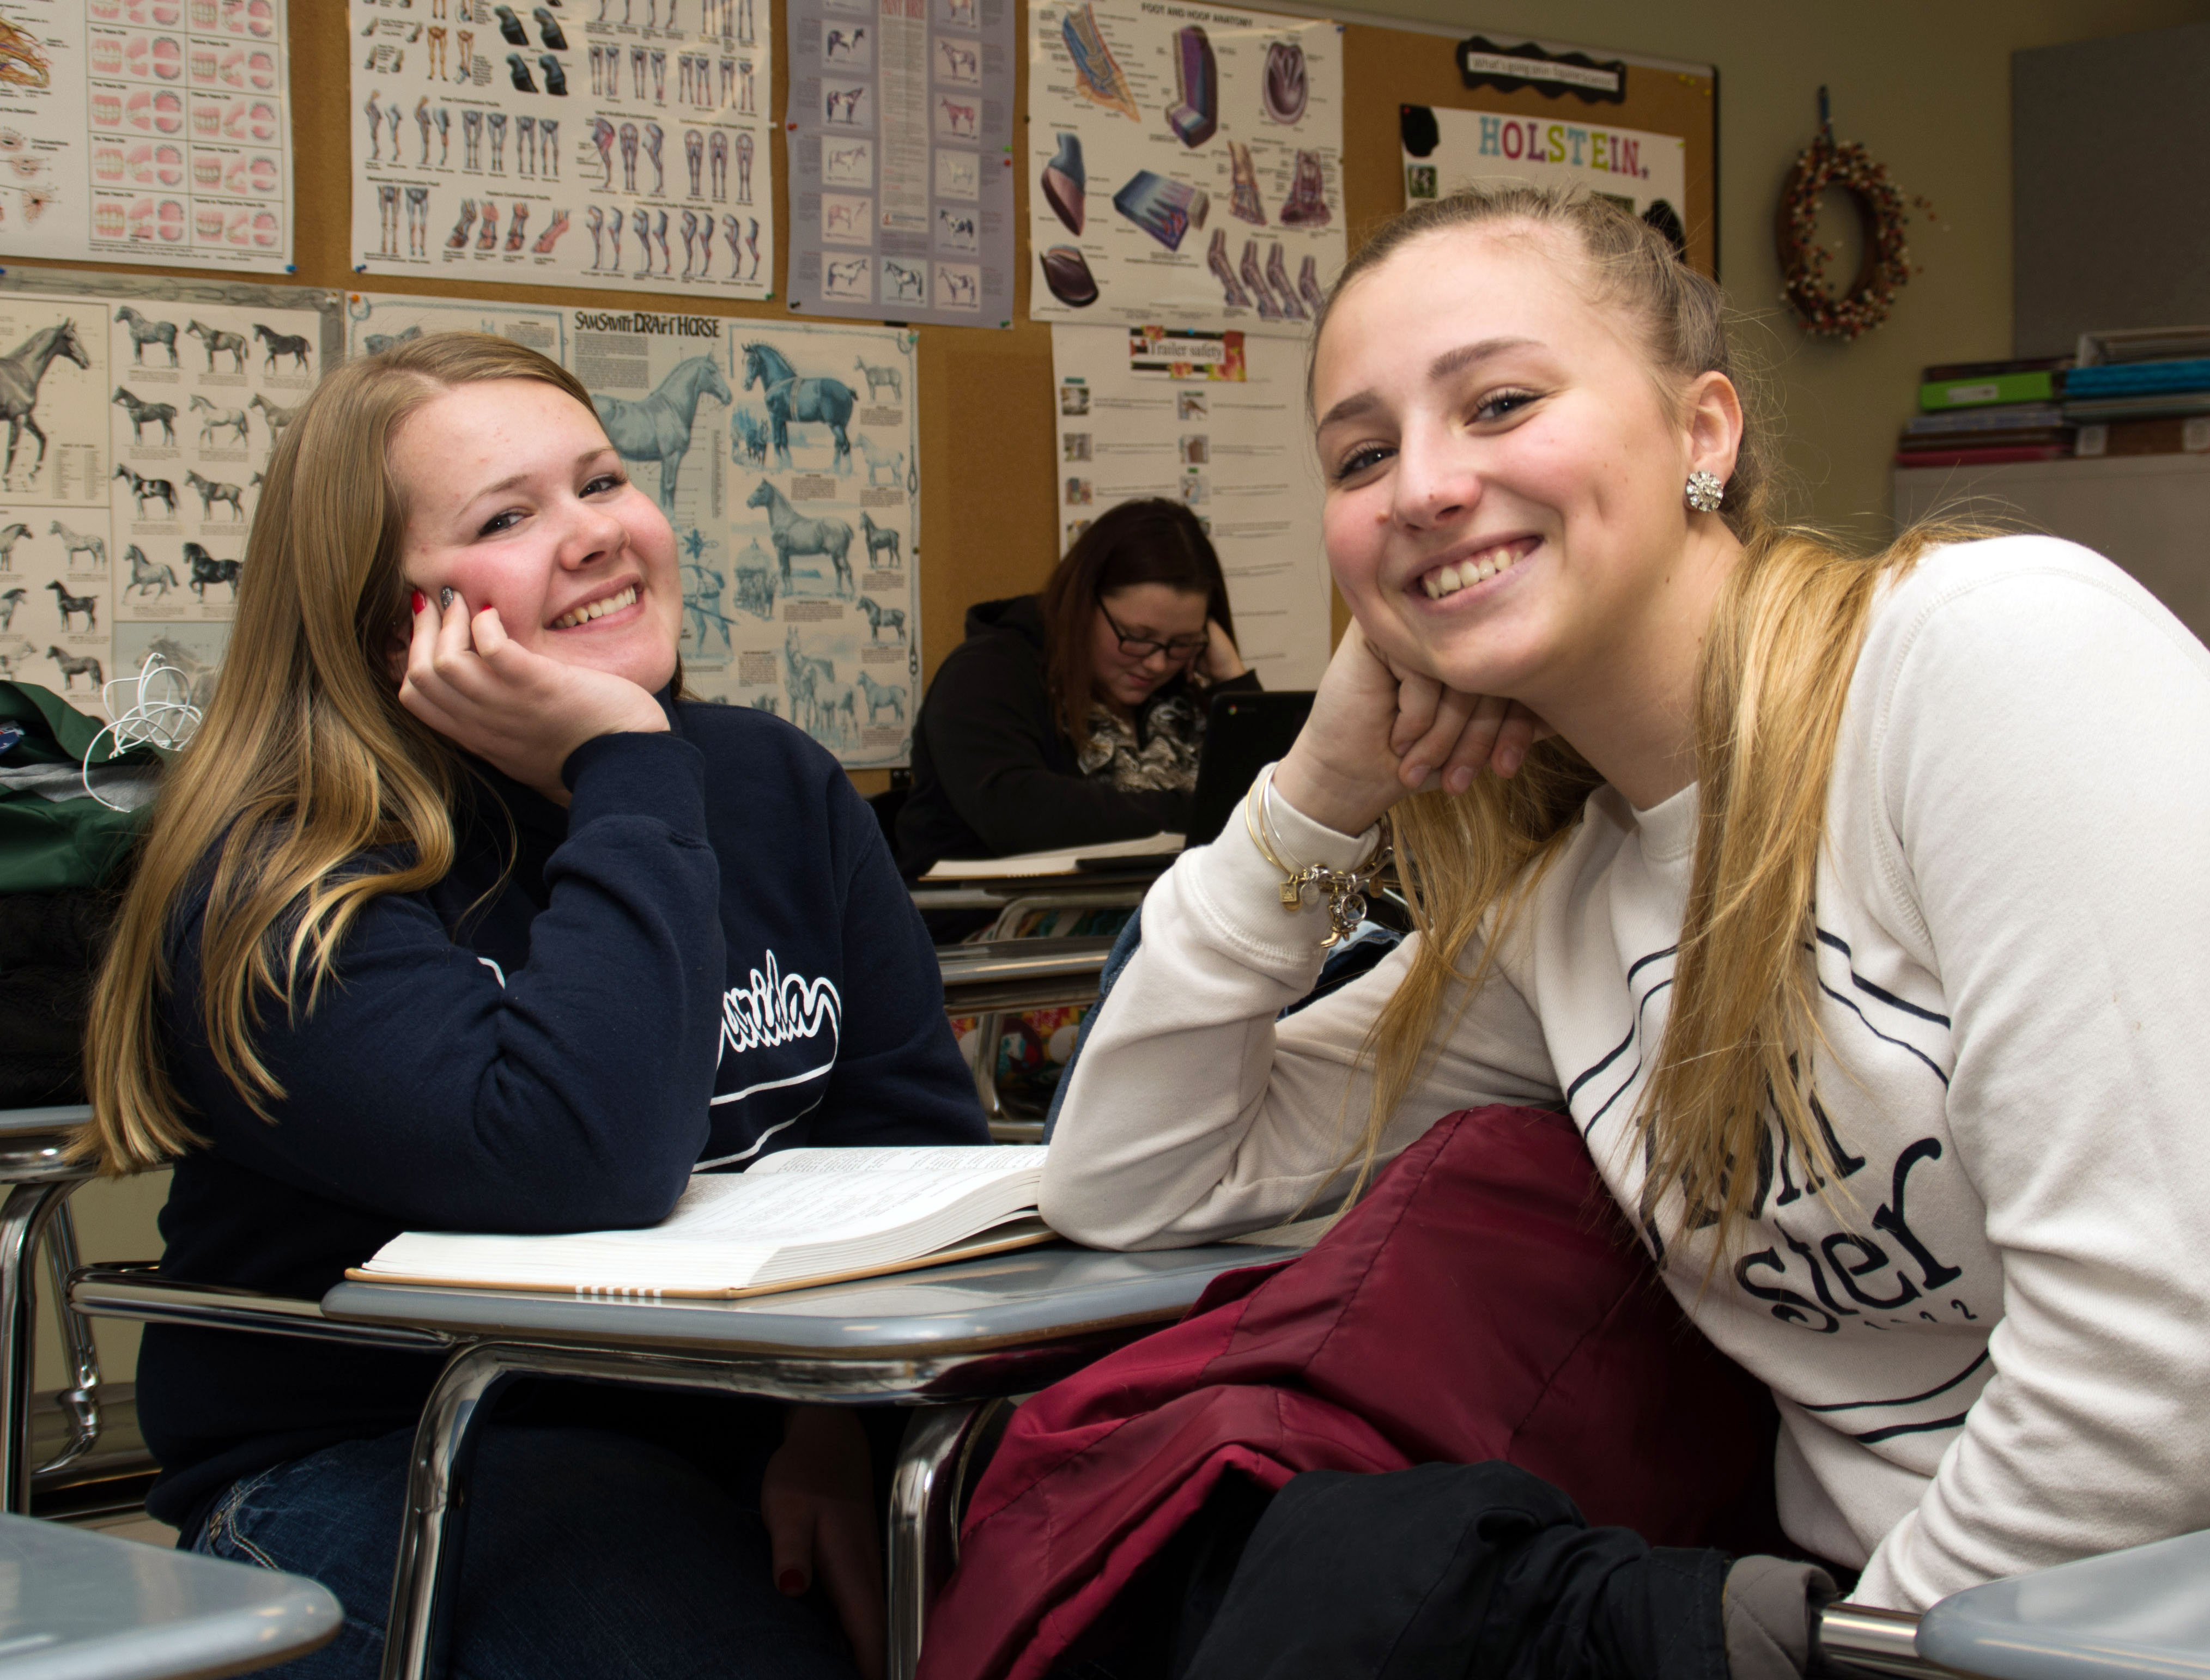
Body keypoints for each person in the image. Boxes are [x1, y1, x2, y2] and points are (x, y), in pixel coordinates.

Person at [1035, 186, 2210, 1617]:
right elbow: (1136, 1176)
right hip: (1894, 1619)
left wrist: (1869, 1652)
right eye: (1361, 453)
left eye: (1501, 400)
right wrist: (1319, 791)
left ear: (1702, 432)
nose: (1420, 485)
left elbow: (2159, 1362)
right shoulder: (1569, 915)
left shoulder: (1986, 658)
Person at [78, 333, 986, 1680]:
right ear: (393, 621)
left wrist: (837, 1436)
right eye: (508, 516)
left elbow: (919, 1160)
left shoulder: (777, 786)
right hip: (401, 1452)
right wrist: (623, 763)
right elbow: (581, 1157)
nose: (594, 536)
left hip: (751, 1433)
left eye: (604, 481)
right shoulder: (286, 869)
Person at [894, 498, 1257, 875]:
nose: (1157, 662)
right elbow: (1022, 813)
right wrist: (1199, 814)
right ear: (1081, 604)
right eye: (1136, 636)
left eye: (1182, 642)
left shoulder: (1181, 688)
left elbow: (1279, 810)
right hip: (1000, 921)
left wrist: (1232, 678)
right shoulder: (986, 674)